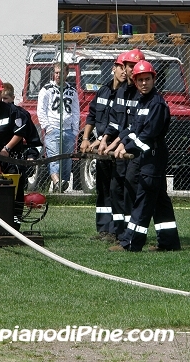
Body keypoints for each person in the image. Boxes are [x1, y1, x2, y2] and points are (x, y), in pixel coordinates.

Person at [109, 60, 181, 252]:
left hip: (153, 156)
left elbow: (148, 135)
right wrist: (122, 144)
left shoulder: (156, 103)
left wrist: (128, 150)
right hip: (147, 155)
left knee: (144, 199)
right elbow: (135, 129)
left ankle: (131, 243)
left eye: (147, 79)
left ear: (153, 79)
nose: (143, 83)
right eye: (140, 80)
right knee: (160, 201)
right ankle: (169, 242)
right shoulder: (142, 101)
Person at [98, 49, 145, 243]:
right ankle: (118, 232)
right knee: (116, 189)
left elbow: (132, 126)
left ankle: (130, 232)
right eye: (129, 67)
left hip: (134, 151)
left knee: (130, 191)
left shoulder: (141, 94)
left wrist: (116, 143)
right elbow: (116, 122)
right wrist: (104, 140)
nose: (131, 72)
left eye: (134, 67)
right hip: (120, 150)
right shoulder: (122, 91)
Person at [81, 52, 127, 241]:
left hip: (116, 148)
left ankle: (116, 230)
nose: (124, 72)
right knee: (103, 188)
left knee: (117, 190)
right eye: (121, 68)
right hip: (101, 149)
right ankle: (104, 229)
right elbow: (91, 115)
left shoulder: (127, 94)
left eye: (127, 68)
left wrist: (105, 141)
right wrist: (85, 138)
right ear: (113, 68)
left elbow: (119, 123)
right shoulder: (103, 91)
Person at [0, 76, 32, 229]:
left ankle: (14, 225)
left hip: (12, 159)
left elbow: (20, 132)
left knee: (15, 192)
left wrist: (6, 149)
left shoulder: (12, 111)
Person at [36, 61, 80, 193]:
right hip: (53, 129)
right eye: (56, 73)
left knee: (66, 160)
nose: (58, 75)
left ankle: (62, 185)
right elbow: (41, 110)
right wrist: (47, 127)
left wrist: (75, 130)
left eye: (61, 73)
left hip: (68, 131)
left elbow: (76, 111)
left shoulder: (72, 91)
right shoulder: (46, 90)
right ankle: (56, 181)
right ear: (53, 73)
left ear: (67, 74)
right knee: (54, 157)